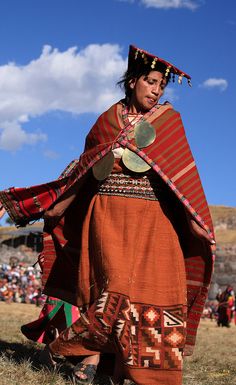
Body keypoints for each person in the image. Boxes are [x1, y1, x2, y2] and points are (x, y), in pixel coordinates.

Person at [0, 45, 215, 385]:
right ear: (133, 81)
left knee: (148, 293)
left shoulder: (169, 121)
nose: (157, 90)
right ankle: (81, 352)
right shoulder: (106, 121)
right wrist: (47, 206)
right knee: (112, 291)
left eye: (162, 84)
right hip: (106, 220)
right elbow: (81, 172)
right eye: (151, 82)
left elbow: (182, 178)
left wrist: (195, 222)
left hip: (153, 222)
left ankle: (122, 371)